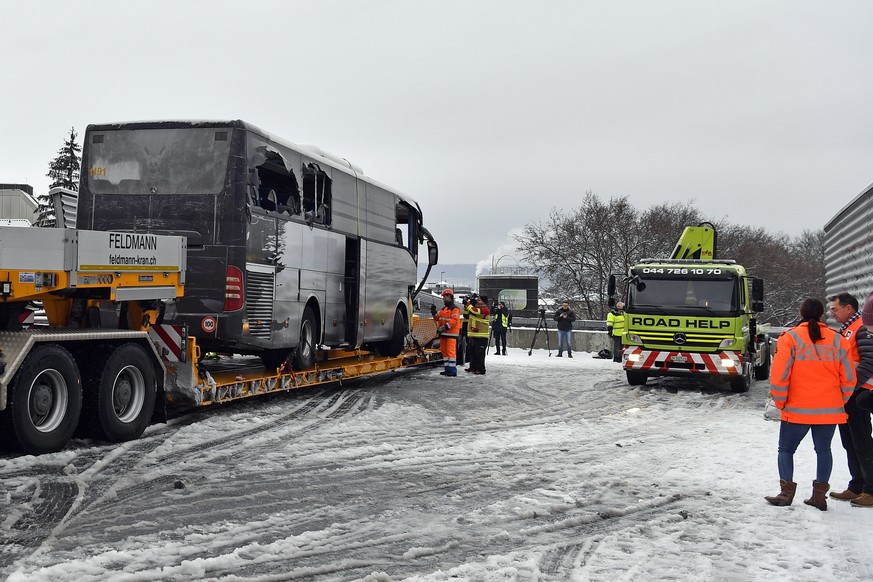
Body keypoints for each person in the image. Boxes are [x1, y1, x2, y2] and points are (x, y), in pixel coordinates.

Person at [765, 298, 855, 511]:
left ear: (801, 313)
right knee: (824, 450)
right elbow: (849, 378)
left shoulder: (790, 338)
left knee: (786, 450)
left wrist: (780, 401)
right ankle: (819, 497)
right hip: (829, 409)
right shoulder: (839, 340)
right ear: (822, 314)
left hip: (796, 409)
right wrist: (839, 399)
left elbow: (779, 376)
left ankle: (786, 494)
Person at [826, 292, 870, 504]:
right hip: (848, 394)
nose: (831, 313)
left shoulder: (862, 328)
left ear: (848, 308)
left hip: (859, 394)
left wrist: (852, 387)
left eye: (835, 309)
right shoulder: (847, 329)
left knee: (862, 442)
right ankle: (857, 485)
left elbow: (869, 361)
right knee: (849, 442)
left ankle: (870, 490)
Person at [433, 288, 461, 377]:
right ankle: (447, 369)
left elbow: (454, 321)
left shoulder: (455, 309)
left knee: (450, 352)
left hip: (451, 334)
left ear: (450, 296)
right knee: (445, 352)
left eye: (445, 296)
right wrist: (433, 312)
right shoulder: (444, 309)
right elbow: (437, 317)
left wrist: (444, 327)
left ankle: (452, 370)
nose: (443, 298)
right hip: (444, 334)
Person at [465, 296, 490, 374]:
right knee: (472, 352)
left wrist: (468, 304)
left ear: (484, 302)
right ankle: (473, 367)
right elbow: (466, 314)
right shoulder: (474, 308)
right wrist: (466, 306)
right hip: (473, 335)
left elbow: (475, 311)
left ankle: (481, 369)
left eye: (479, 300)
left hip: (481, 336)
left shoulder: (485, 309)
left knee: (479, 354)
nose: (477, 301)